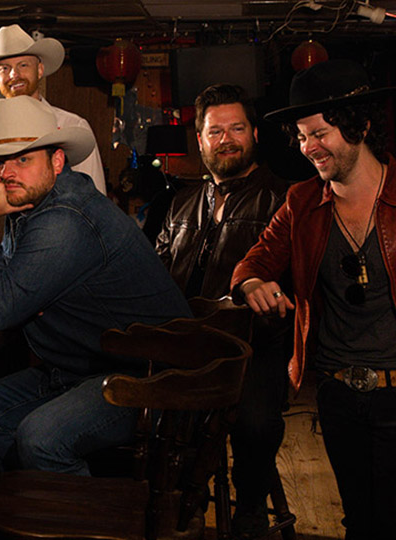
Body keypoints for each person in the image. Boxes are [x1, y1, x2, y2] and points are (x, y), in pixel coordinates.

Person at [0, 96, 191, 474]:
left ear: (57, 161)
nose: (6, 173)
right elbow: (9, 287)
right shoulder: (36, 203)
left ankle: (85, 509)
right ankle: (38, 501)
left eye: (23, 159)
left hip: (153, 377)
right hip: (90, 367)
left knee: (40, 438)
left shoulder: (65, 217)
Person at [232, 59, 396, 540]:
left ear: (360, 126)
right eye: (302, 137)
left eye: (320, 133)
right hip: (338, 392)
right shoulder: (302, 202)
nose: (309, 148)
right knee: (359, 523)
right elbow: (253, 263)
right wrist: (253, 284)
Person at [156, 83, 289, 538]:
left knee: (256, 423)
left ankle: (250, 509)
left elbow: (294, 282)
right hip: (185, 346)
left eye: (237, 129)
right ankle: (178, 507)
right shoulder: (181, 203)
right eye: (216, 132)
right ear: (200, 140)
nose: (226, 140)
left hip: (252, 347)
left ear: (254, 134)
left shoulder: (283, 199)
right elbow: (156, 273)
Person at [0, 24, 106, 219]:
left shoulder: (72, 127)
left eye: (23, 65)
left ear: (40, 70)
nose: (14, 75)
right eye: (4, 68)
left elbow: (96, 204)